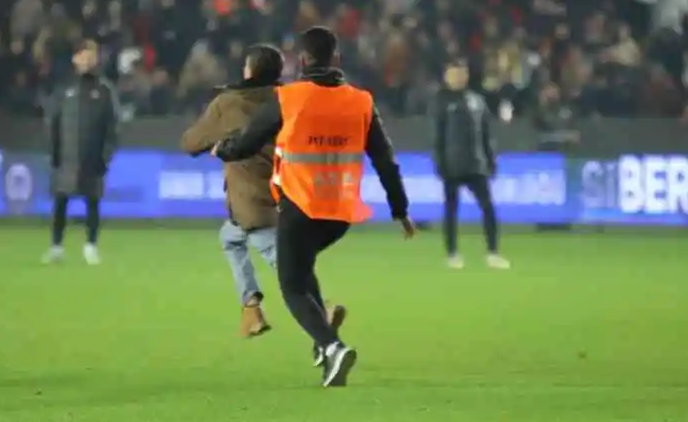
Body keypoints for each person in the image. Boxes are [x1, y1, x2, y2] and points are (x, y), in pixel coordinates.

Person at [214, 26, 413, 387]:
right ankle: (324, 347)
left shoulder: (290, 97)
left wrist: (222, 149)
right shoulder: (361, 101)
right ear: (336, 58)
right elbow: (386, 160)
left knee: (291, 285)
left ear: (302, 60)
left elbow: (247, 142)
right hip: (339, 215)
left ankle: (332, 347)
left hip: (301, 207)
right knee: (302, 270)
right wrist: (399, 209)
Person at [181, 44, 349, 341]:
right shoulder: (289, 100)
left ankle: (321, 311)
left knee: (284, 265)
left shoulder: (229, 103)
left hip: (254, 201)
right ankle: (251, 309)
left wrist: (218, 141)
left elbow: (191, 142)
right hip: (291, 193)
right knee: (230, 238)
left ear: (249, 70)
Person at [44, 40, 118, 265]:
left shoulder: (104, 90)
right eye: (84, 56)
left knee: (92, 202)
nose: (87, 60)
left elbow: (112, 127)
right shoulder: (63, 88)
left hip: (92, 157)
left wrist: (105, 156)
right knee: (60, 202)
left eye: (91, 56)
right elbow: (53, 122)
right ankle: (56, 247)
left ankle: (91, 246)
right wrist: (54, 152)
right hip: (66, 156)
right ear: (75, 59)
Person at [432, 61, 509, 269]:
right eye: (453, 74)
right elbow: (438, 136)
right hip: (452, 165)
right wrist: (439, 162)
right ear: (447, 76)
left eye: (460, 74)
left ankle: (493, 252)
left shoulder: (477, 101)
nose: (457, 78)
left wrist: (491, 160)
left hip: (476, 164)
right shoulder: (441, 102)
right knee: (451, 211)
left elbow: (486, 135)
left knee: (488, 208)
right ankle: (452, 254)